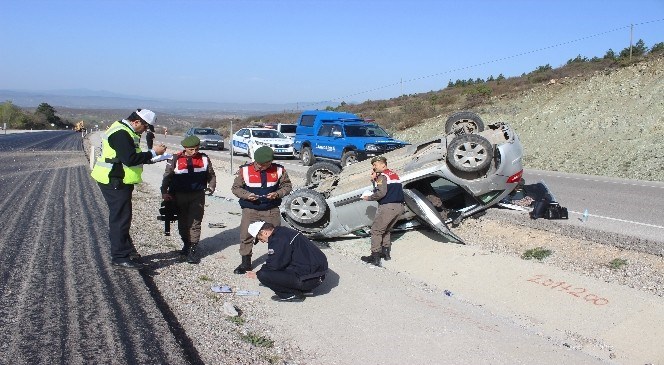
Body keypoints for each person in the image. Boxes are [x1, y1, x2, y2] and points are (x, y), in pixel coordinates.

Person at [91, 108, 169, 269]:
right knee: (120, 219)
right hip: (114, 180)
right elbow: (130, 159)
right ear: (136, 122)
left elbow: (131, 156)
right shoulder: (121, 133)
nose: (145, 130)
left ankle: (127, 251)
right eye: (145, 126)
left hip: (119, 180)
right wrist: (154, 152)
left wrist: (153, 158)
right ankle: (120, 257)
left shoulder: (126, 131)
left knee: (123, 217)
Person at [231, 146, 292, 274]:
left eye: (263, 165)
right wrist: (247, 195)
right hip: (250, 209)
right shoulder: (244, 170)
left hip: (271, 209)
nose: (260, 167)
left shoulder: (279, 170)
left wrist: (277, 193)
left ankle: (277, 263)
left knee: (277, 237)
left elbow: (287, 186)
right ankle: (245, 263)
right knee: (246, 236)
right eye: (258, 164)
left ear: (270, 162)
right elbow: (236, 188)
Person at [160, 135, 216, 264]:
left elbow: (211, 175)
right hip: (179, 195)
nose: (194, 152)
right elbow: (167, 177)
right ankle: (186, 244)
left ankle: (193, 249)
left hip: (197, 195)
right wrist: (164, 192)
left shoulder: (204, 158)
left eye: (196, 149)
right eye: (191, 149)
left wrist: (211, 187)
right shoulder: (175, 158)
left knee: (195, 222)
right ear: (185, 148)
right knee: (183, 222)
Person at [245, 221, 328, 302]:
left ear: (264, 233)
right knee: (270, 272)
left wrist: (259, 274)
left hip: (311, 279)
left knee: (263, 275)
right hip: (317, 273)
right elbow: (280, 259)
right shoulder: (283, 231)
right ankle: (303, 289)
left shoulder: (278, 240)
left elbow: (274, 265)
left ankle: (291, 294)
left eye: (260, 239)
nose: (262, 241)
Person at [360, 155, 405, 266]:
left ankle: (375, 257)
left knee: (376, 231)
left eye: (375, 165)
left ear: (383, 164)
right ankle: (386, 254)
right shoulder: (393, 174)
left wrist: (368, 198)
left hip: (387, 207)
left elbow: (381, 193)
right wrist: (374, 180)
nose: (374, 168)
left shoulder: (382, 177)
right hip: (399, 207)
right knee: (386, 230)